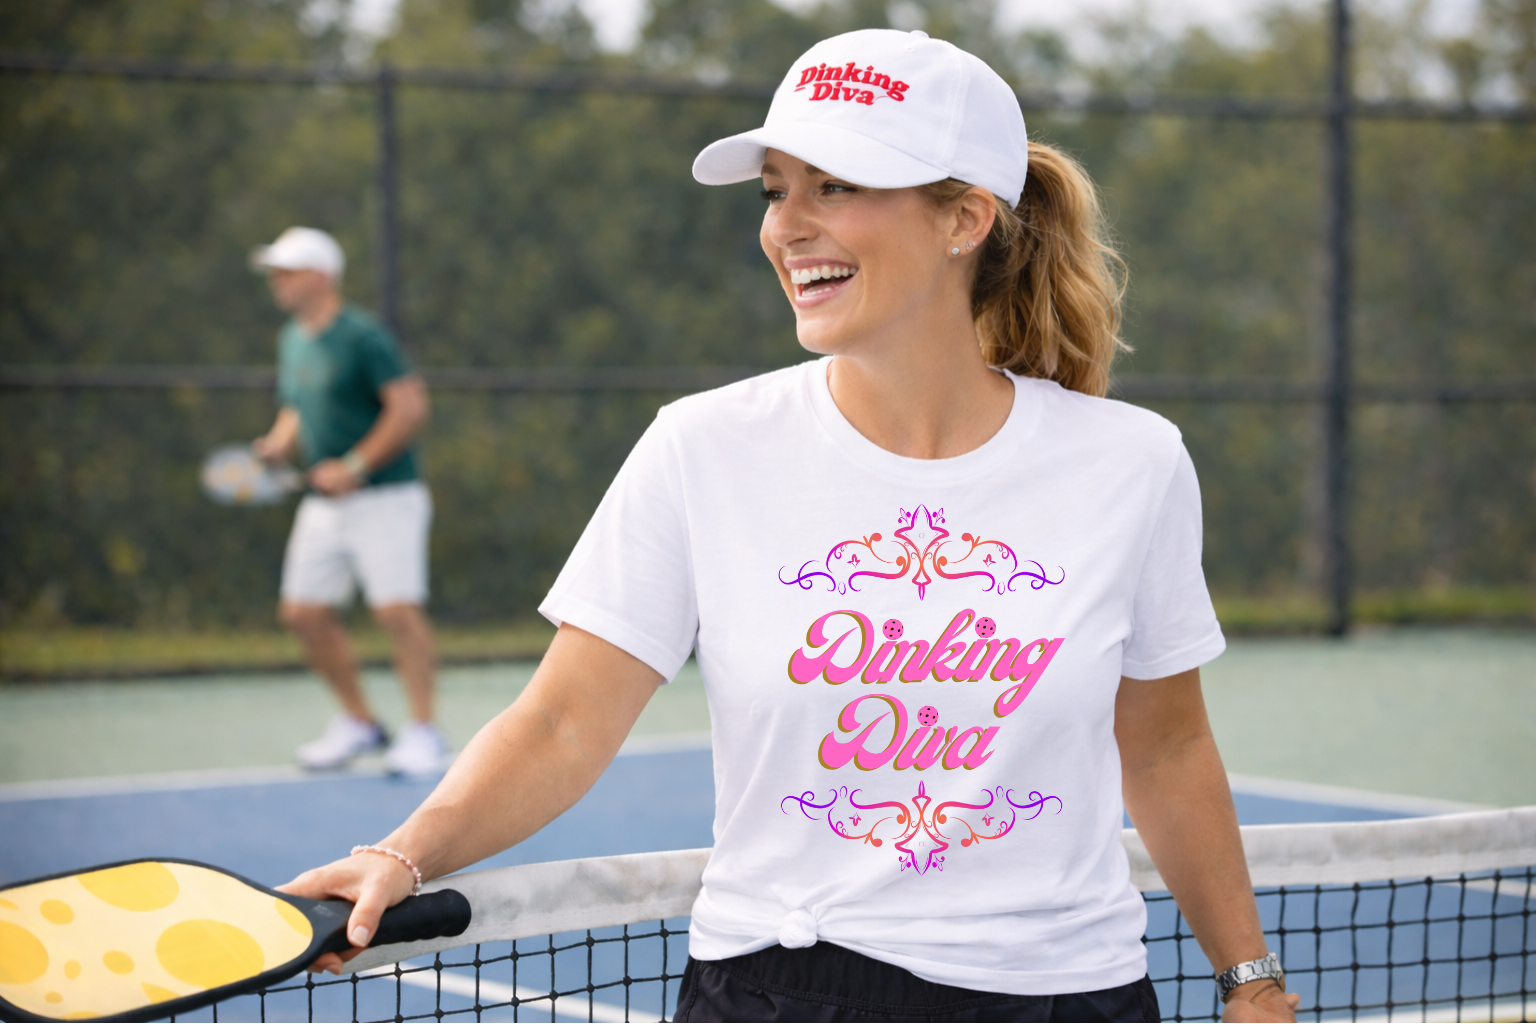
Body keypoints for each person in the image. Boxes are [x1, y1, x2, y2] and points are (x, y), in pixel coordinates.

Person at [281, 30, 1301, 1023]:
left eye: (837, 187)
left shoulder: (1134, 461)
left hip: (1076, 994)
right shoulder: (703, 447)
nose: (787, 226)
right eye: (777, 190)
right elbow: (563, 723)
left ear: (964, 218)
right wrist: (404, 851)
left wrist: (1248, 978)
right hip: (780, 991)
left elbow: (1167, 748)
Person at [250, 227, 448, 778]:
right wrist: (276, 445)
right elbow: (295, 410)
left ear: (322, 276)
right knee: (303, 613)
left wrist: (356, 466)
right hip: (321, 504)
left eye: (286, 272)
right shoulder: (292, 338)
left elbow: (408, 407)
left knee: (395, 610)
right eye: (274, 272)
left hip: (387, 496)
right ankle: (360, 722)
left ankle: (425, 732)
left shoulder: (364, 336)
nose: (276, 282)